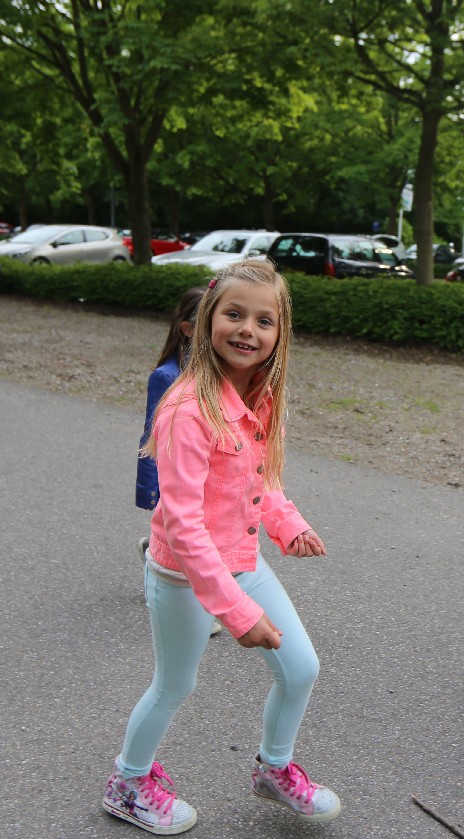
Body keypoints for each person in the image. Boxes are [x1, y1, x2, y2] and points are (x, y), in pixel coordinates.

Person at [103, 258, 341, 834]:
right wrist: (235, 612)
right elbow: (184, 525)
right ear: (208, 317)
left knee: (300, 668)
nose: (247, 330)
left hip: (242, 561)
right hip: (182, 575)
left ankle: (273, 770)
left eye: (264, 320)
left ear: (280, 333)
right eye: (234, 314)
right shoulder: (187, 408)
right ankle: (127, 784)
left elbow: (259, 480)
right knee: (174, 685)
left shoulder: (262, 396)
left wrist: (287, 524)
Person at [134, 286, 222, 638]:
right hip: (175, 475)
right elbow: (150, 436)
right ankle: (202, 610)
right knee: (193, 540)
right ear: (188, 329)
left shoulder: (216, 372)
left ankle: (152, 551)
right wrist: (149, 486)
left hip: (207, 472)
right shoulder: (167, 377)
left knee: (199, 537)